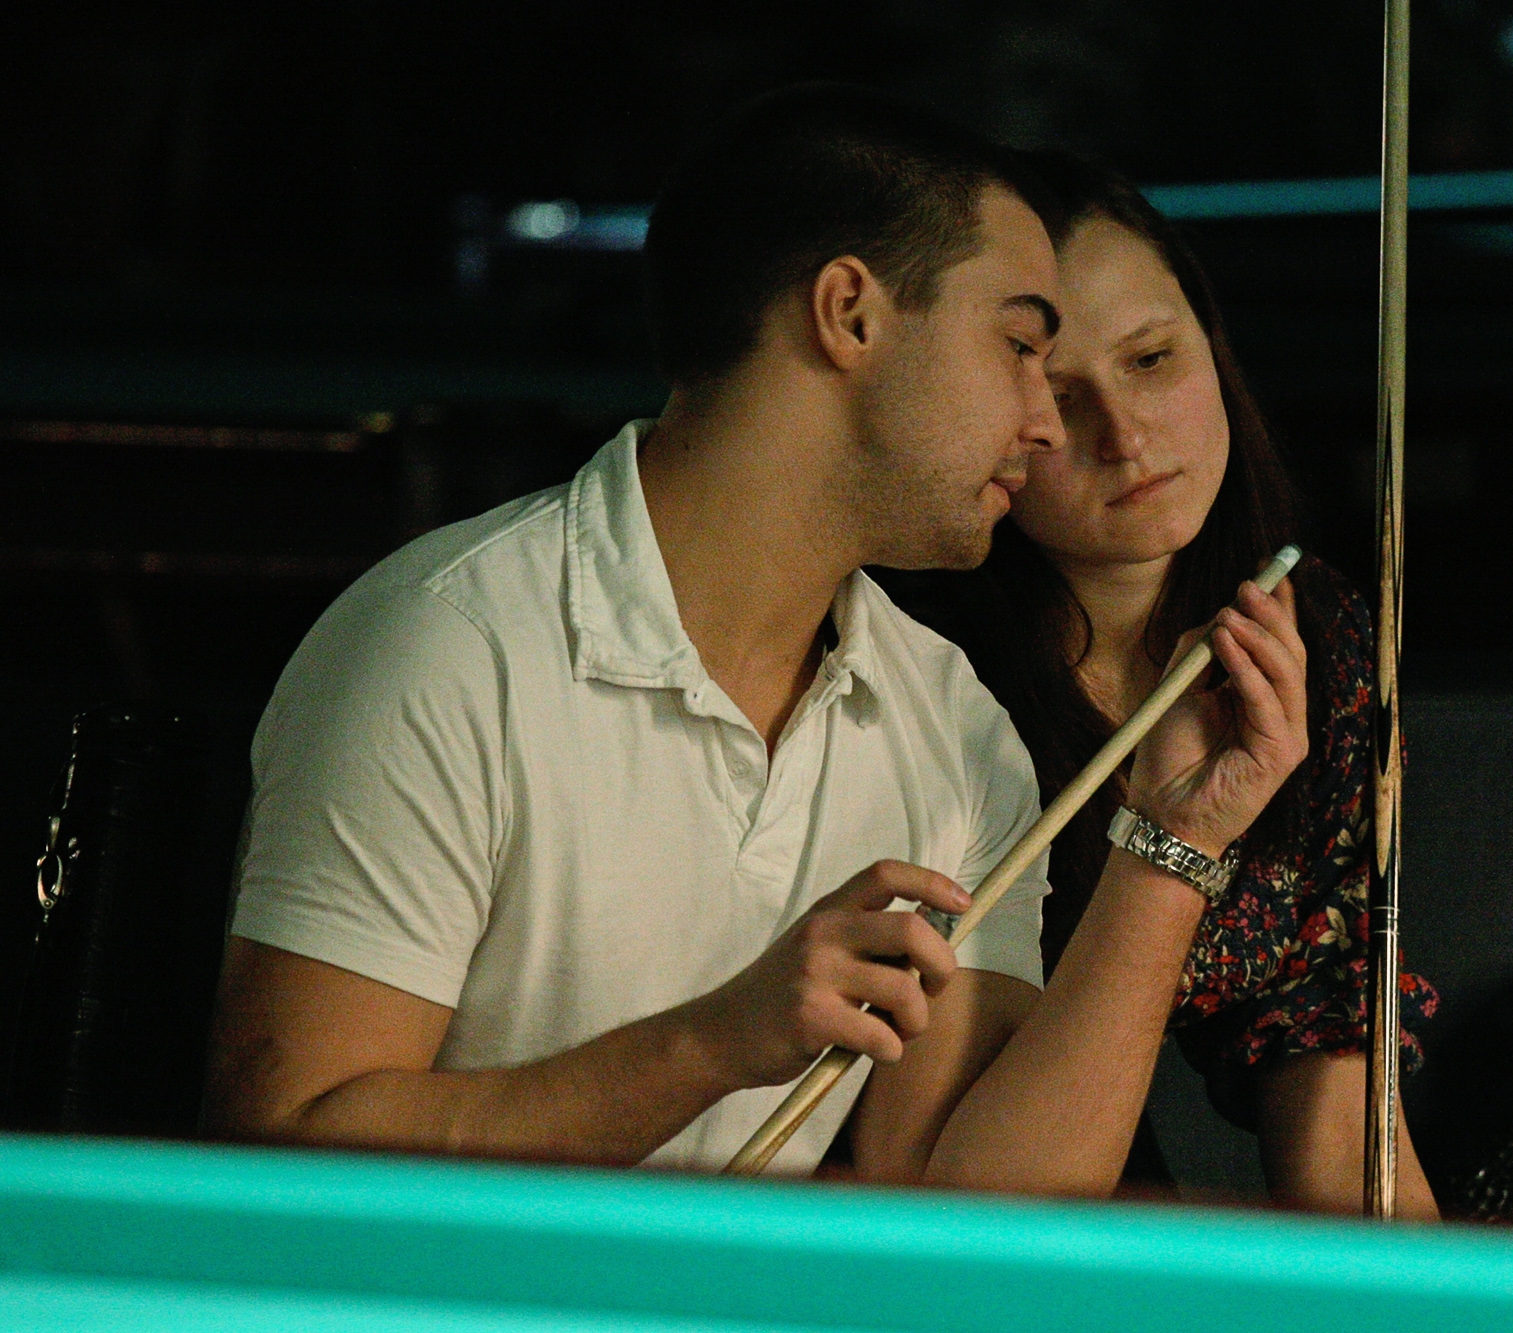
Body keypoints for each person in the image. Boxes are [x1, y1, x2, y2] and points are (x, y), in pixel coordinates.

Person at [203, 87, 1308, 1193]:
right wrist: (711, 1042)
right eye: (1018, 345)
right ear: (850, 314)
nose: (1043, 419)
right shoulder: (450, 640)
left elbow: (969, 1207)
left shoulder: (952, 725)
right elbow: (284, 1144)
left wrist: (1172, 848)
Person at [878, 152, 1441, 1215]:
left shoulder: (1315, 634)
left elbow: (1334, 1076)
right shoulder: (919, 675)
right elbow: (959, 1208)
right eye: (1058, 395)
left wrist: (1426, 1288)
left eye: (1150, 358)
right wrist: (1173, 843)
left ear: (1209, 340)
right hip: (970, 1211)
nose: (1124, 437)